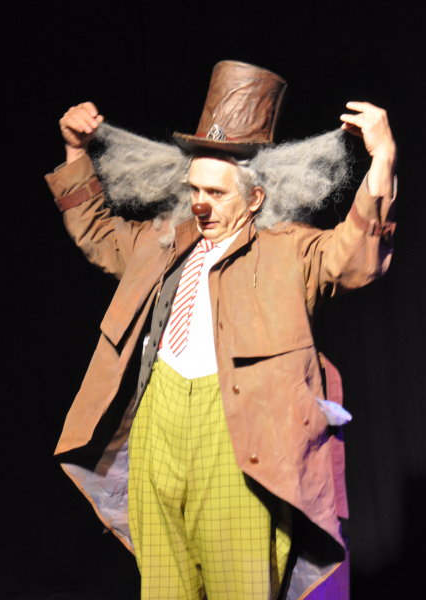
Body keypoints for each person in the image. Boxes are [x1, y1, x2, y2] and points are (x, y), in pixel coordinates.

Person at [45, 61, 397, 600]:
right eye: (194, 189)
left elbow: (354, 259)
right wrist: (75, 152)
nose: (200, 204)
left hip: (236, 435)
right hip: (157, 425)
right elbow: (97, 231)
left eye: (216, 192)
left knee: (241, 584)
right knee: (164, 588)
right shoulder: (164, 241)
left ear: (255, 198)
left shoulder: (287, 251)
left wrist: (383, 159)